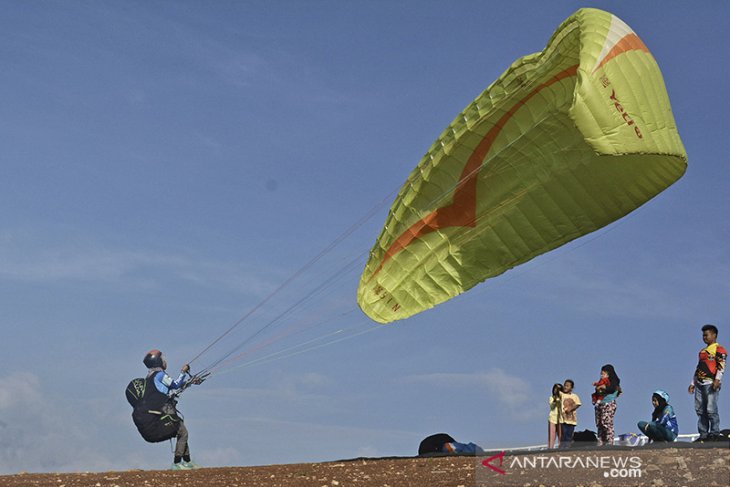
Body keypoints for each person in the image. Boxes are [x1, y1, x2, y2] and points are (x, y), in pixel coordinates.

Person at [142, 349, 200, 470]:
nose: (165, 361)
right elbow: (175, 384)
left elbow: (170, 388)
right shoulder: (160, 375)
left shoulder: (150, 376)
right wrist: (183, 372)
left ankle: (187, 461)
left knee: (181, 432)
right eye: (163, 359)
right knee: (183, 432)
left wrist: (190, 382)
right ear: (158, 361)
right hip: (166, 408)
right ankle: (177, 463)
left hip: (158, 409)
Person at [688, 324, 727, 442]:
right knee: (700, 409)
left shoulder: (719, 349)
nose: (704, 337)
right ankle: (703, 433)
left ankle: (714, 432)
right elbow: (698, 368)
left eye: (707, 334)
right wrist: (693, 383)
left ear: (714, 335)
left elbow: (721, 366)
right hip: (699, 383)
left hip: (710, 383)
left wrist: (717, 380)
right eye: (703, 335)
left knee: (711, 409)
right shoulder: (702, 352)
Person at [593, 364, 621, 446]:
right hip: (600, 404)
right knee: (600, 423)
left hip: (609, 403)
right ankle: (601, 441)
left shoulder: (614, 382)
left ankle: (609, 442)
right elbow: (597, 392)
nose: (602, 375)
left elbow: (612, 388)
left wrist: (603, 387)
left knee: (607, 423)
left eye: (604, 373)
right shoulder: (600, 382)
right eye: (601, 373)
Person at [559, 379, 582, 448]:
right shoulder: (562, 395)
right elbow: (556, 391)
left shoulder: (574, 396)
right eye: (565, 385)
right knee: (564, 434)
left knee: (569, 434)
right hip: (563, 419)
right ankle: (563, 447)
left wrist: (571, 408)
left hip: (572, 420)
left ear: (571, 388)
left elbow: (578, 404)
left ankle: (567, 447)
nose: (565, 387)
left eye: (567, 386)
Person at [548, 383, 563, 448]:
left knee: (561, 435)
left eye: (559, 389)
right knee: (552, 435)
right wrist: (555, 399)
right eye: (556, 389)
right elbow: (552, 406)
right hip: (552, 418)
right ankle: (550, 448)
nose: (557, 390)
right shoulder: (551, 398)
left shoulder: (563, 398)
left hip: (560, 417)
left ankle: (560, 447)